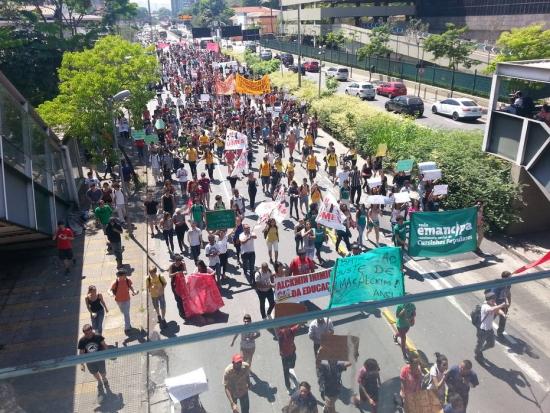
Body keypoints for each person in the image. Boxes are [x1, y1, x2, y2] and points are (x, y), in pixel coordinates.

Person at [78, 324, 110, 396]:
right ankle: (99, 381)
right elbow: (81, 353)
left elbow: (104, 345)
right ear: (84, 333)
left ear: (92, 330)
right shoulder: (82, 341)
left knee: (103, 372)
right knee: (94, 373)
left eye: (89, 332)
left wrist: (110, 354)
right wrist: (82, 364)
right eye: (86, 333)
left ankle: (104, 378)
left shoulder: (98, 336)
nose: (88, 335)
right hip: (90, 361)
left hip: (100, 359)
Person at [475, 291, 507, 359]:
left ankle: (480, 351)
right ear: (488, 300)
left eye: (494, 300)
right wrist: (501, 305)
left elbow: (497, 309)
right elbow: (492, 309)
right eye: (492, 300)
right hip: (483, 331)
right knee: (480, 344)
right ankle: (477, 353)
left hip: (489, 330)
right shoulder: (485, 306)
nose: (494, 301)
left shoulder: (492, 303)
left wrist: (503, 314)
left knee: (491, 344)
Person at [278, 324, 300, 394]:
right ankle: (288, 387)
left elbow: (299, 325)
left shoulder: (291, 331)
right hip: (285, 356)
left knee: (292, 366)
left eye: (287, 326)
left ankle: (289, 373)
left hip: (292, 353)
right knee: (286, 371)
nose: (286, 328)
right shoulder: (280, 333)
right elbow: (275, 329)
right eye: (285, 327)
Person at [492, 270, 512, 338]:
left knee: (503, 318)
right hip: (496, 304)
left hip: (503, 304)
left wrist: (509, 301)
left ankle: (500, 332)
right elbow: (492, 296)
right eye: (509, 278)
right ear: (504, 278)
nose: (511, 279)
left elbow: (508, 293)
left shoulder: (508, 284)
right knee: (491, 318)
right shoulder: (498, 285)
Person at [169, 255, 187, 319]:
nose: (179, 263)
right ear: (175, 261)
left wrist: (183, 271)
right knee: (178, 299)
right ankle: (181, 312)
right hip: (174, 284)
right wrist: (176, 273)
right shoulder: (172, 266)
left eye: (180, 262)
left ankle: (184, 311)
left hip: (182, 283)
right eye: (178, 262)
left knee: (183, 298)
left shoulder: (182, 264)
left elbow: (185, 272)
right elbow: (170, 275)